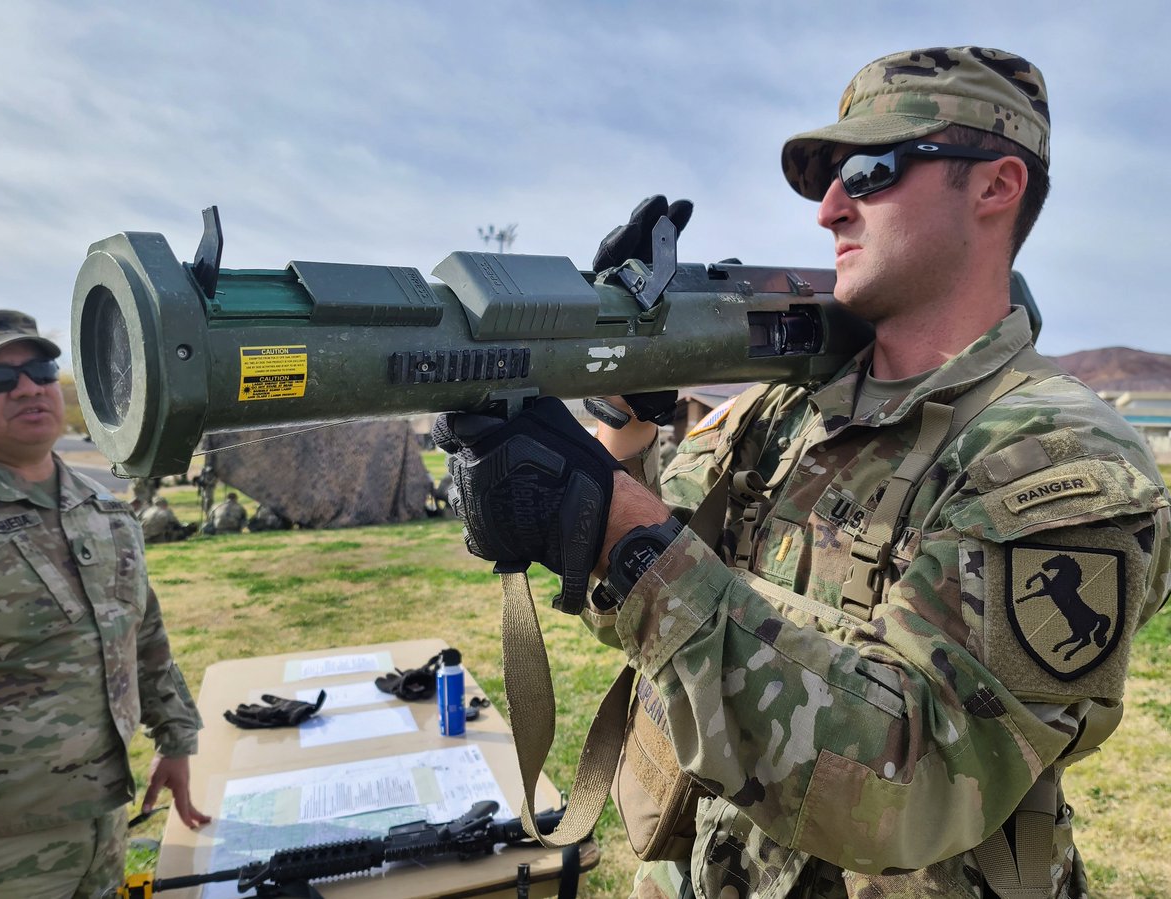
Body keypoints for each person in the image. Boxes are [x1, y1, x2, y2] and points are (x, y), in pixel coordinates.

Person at [435, 48, 1171, 898]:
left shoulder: (1055, 454)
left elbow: (921, 779)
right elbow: (651, 606)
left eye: (868, 170)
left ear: (996, 186)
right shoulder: (786, 411)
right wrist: (620, 423)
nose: (828, 210)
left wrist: (621, 533)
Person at [0, 310, 211, 899]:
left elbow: (142, 634)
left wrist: (175, 740)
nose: (28, 387)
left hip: (102, 814)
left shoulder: (100, 505)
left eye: (41, 370)